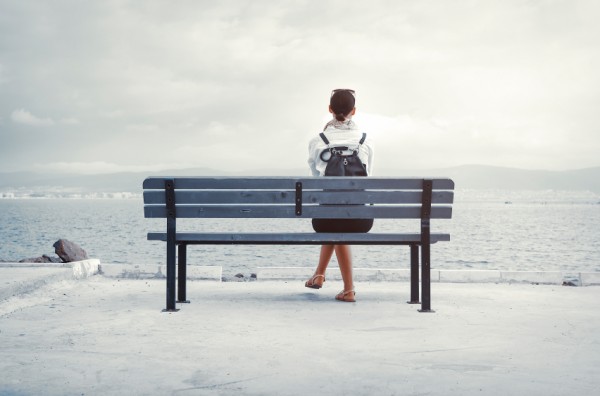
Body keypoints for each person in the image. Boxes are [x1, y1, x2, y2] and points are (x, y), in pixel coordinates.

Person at [305, 89, 375, 302]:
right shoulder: (365, 141)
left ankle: (348, 289)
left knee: (334, 217)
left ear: (330, 110)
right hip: (361, 220)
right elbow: (368, 176)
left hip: (325, 219)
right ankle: (319, 275)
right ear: (354, 111)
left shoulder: (318, 141)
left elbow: (316, 178)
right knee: (340, 216)